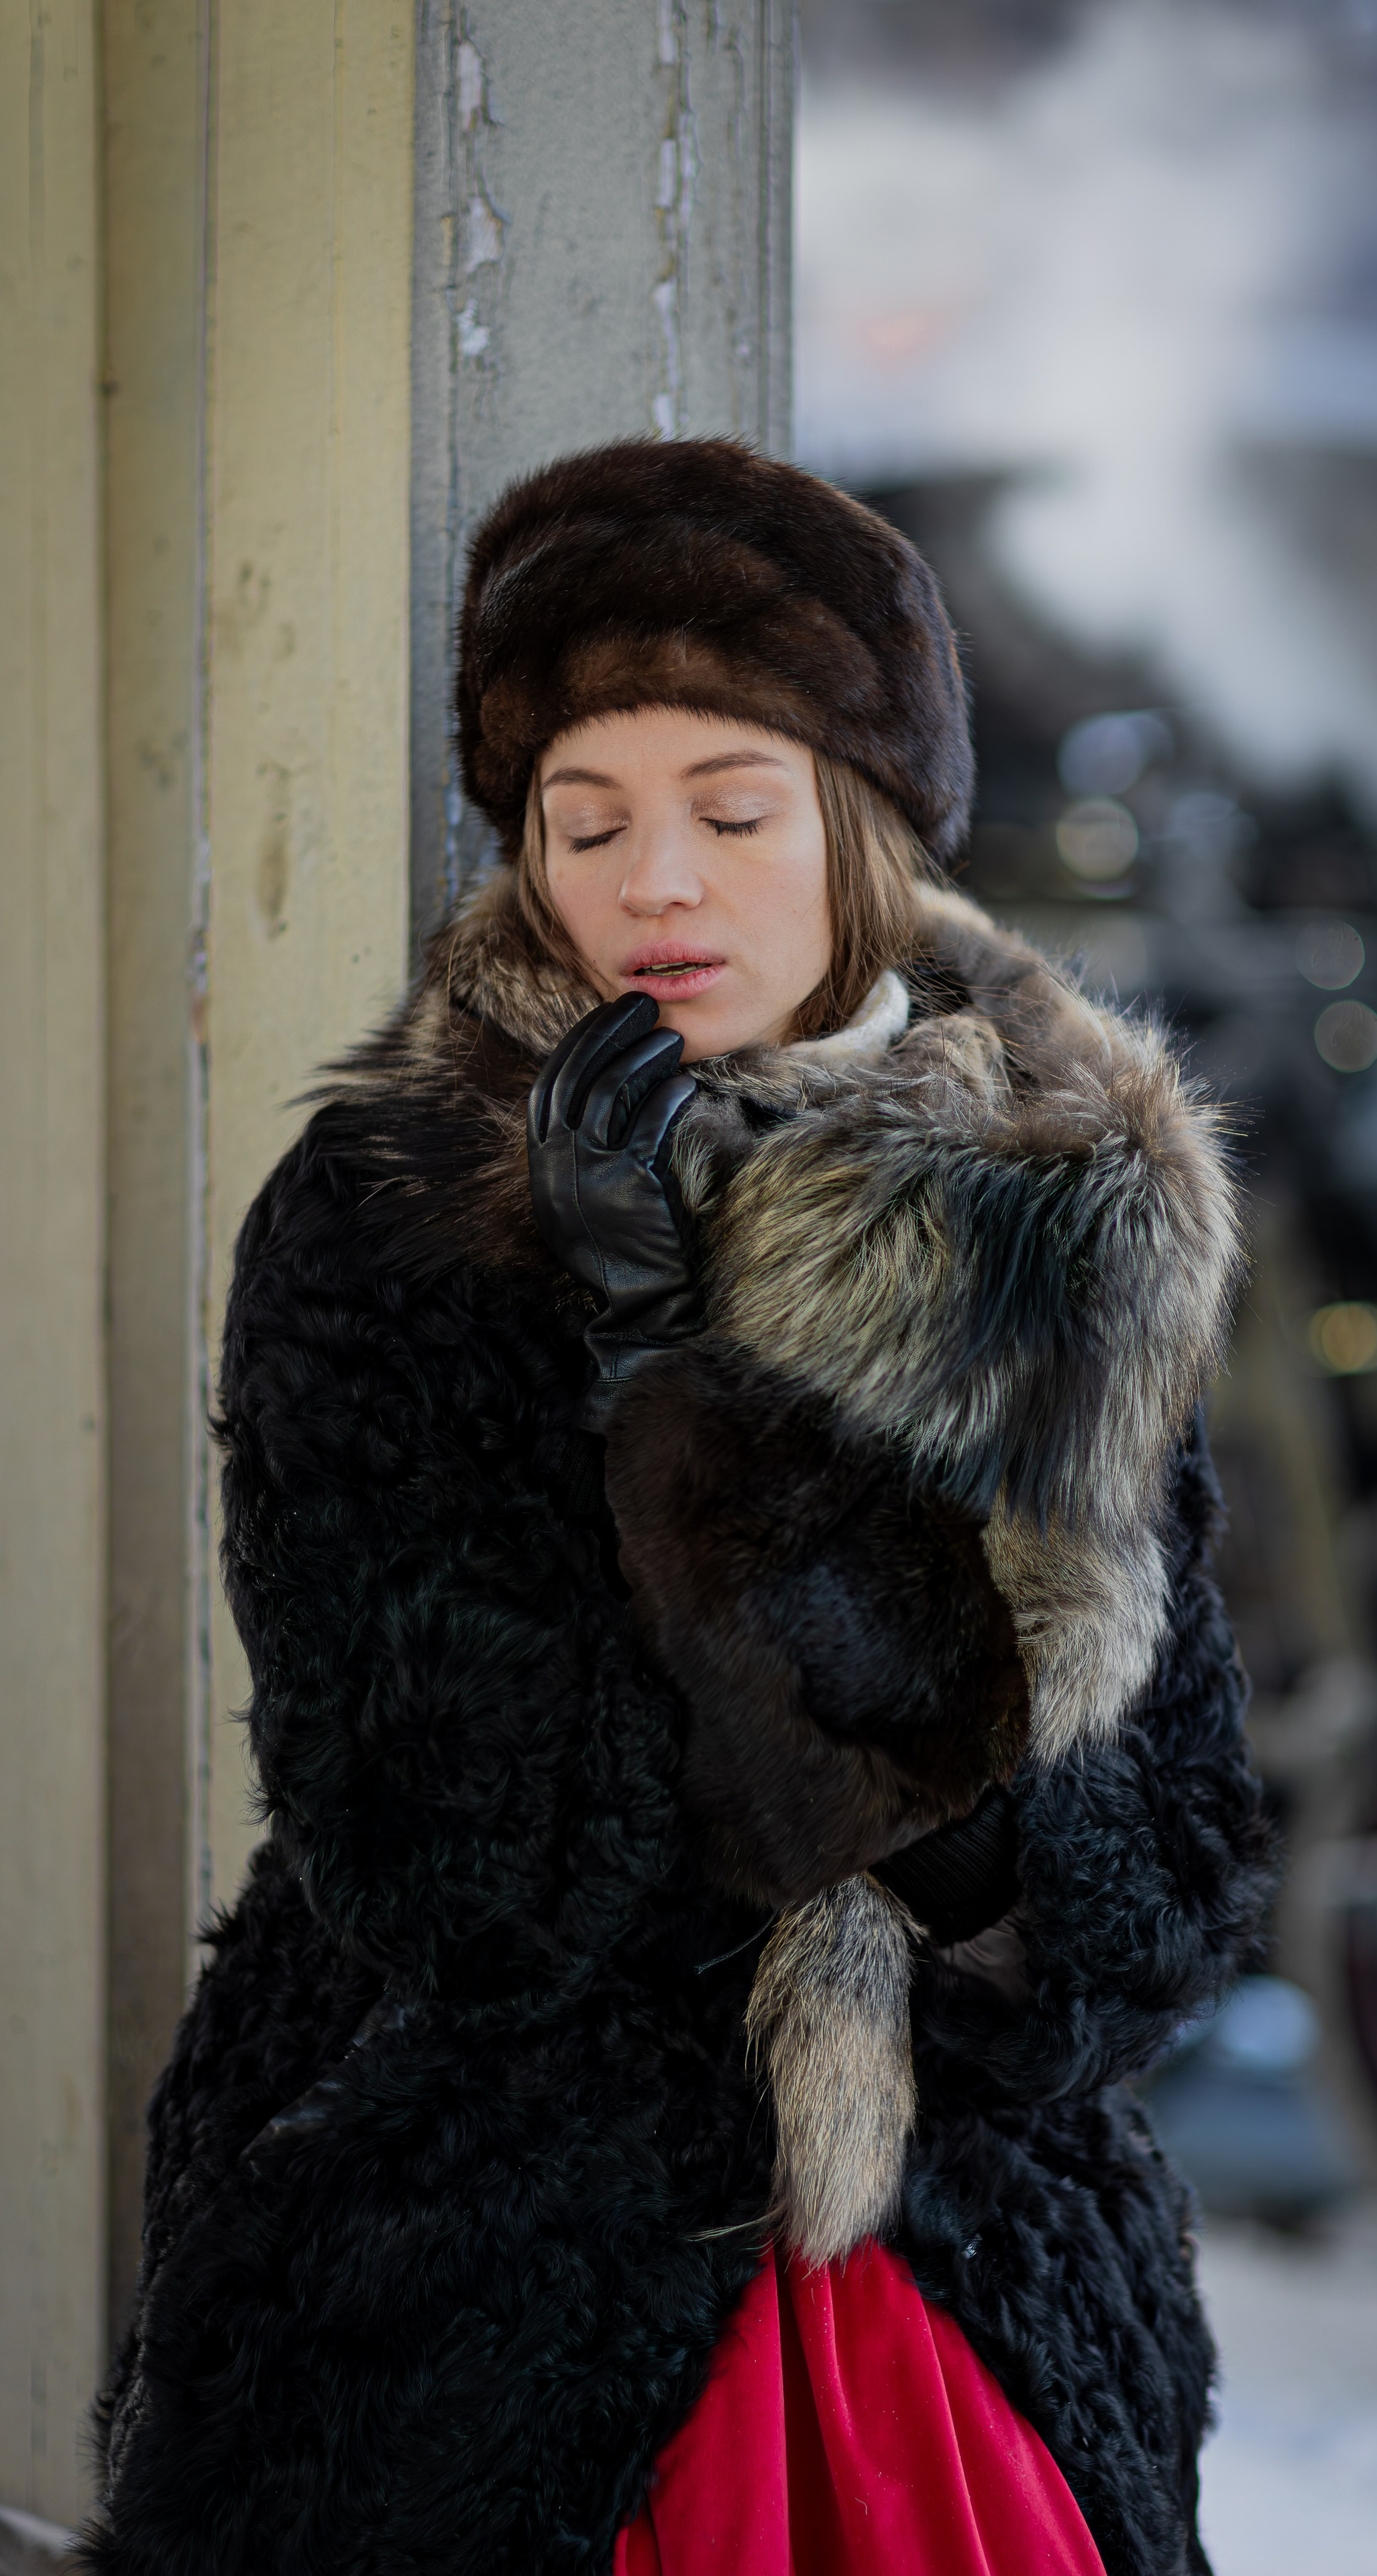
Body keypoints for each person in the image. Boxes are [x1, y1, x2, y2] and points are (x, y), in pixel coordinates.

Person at [81, 440, 1272, 2575]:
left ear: (865, 833)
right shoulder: (386, 1223)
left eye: (733, 812)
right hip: (487, 2276)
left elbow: (1158, 1883)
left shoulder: (1072, 1225)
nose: (658, 886)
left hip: (970, 2284)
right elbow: (459, 1875)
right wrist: (623, 1358)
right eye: (584, 821)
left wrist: (710, 1390)